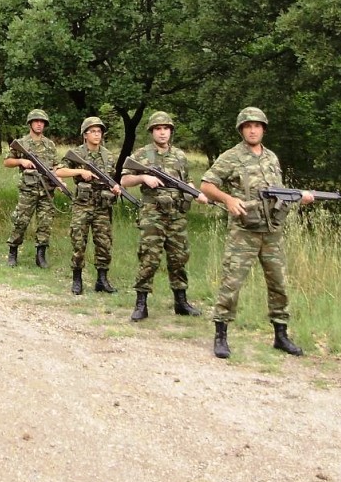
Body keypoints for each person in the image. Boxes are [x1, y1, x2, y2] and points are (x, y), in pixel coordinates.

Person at [199, 106, 313, 359]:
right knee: (232, 282)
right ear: (241, 129)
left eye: (257, 125)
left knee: (278, 283)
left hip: (272, 231)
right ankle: (221, 335)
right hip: (244, 232)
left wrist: (299, 198)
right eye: (248, 126)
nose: (253, 130)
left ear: (263, 129)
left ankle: (281, 335)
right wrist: (228, 199)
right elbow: (206, 185)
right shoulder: (231, 157)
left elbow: (278, 192)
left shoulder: (271, 157)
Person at [121, 111, 209, 322]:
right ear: (152, 131)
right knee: (149, 257)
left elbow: (186, 181)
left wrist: (195, 193)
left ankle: (181, 302)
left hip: (177, 214)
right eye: (158, 129)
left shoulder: (179, 155)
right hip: (153, 214)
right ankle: (141, 303)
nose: (162, 133)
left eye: (166, 129)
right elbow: (124, 180)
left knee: (179, 257)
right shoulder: (142, 154)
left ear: (170, 131)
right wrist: (143, 177)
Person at [55, 117, 121, 295]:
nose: (96, 134)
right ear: (85, 134)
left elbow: (111, 178)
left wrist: (115, 188)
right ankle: (77, 279)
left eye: (99, 131)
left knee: (104, 243)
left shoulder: (108, 155)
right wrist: (80, 171)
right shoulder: (76, 153)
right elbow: (59, 171)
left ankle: (102, 280)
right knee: (78, 242)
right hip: (83, 205)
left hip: (102, 206)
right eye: (93, 131)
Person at [4, 109, 58, 268]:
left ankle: (40, 255)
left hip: (47, 189)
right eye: (36, 121)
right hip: (28, 189)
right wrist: (21, 162)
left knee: (45, 223)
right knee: (20, 221)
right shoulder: (22, 143)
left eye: (42, 122)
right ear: (30, 123)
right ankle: (13, 251)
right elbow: (7, 162)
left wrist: (58, 178)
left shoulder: (50, 144)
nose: (39, 124)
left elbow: (56, 165)